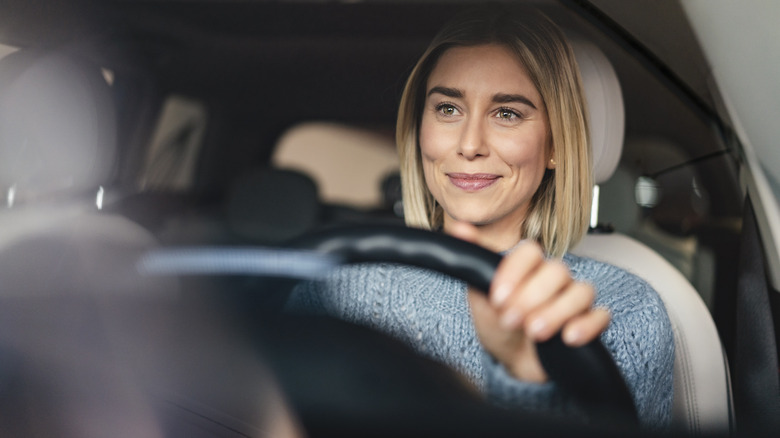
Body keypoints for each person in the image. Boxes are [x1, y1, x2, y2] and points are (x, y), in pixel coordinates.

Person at [287, 5, 674, 429]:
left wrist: (525, 377)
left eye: (507, 113)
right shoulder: (336, 285)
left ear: (556, 146)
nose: (470, 144)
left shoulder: (624, 311)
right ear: (420, 129)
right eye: (448, 109)